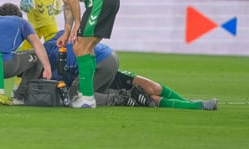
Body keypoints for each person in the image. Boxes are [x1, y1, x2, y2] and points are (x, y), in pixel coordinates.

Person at [24, 0, 120, 109]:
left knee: (80, 47)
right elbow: (68, 3)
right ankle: (86, 95)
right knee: (83, 48)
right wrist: (67, 31)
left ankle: (87, 98)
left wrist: (78, 22)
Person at [44, 32, 218, 110]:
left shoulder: (48, 57)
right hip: (108, 57)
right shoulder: (59, 37)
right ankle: (193, 105)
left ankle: (126, 97)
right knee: (150, 87)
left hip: (94, 67)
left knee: (77, 96)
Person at [0, 3, 52, 104]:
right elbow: (37, 44)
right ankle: (19, 97)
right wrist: (47, 67)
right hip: (3, 63)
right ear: (18, 15)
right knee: (36, 56)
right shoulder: (21, 22)